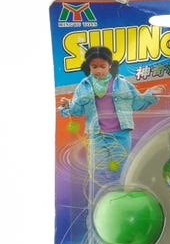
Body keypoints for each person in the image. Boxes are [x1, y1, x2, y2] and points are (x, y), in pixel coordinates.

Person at [59, 46, 163, 188]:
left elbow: (137, 103)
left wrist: (151, 94)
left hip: (121, 133)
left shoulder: (122, 84)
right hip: (97, 135)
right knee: (98, 169)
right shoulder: (84, 86)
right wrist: (67, 105)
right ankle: (100, 195)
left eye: (102, 66)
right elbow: (77, 110)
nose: (99, 70)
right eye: (94, 66)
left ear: (109, 65)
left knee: (121, 168)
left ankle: (119, 193)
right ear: (89, 66)